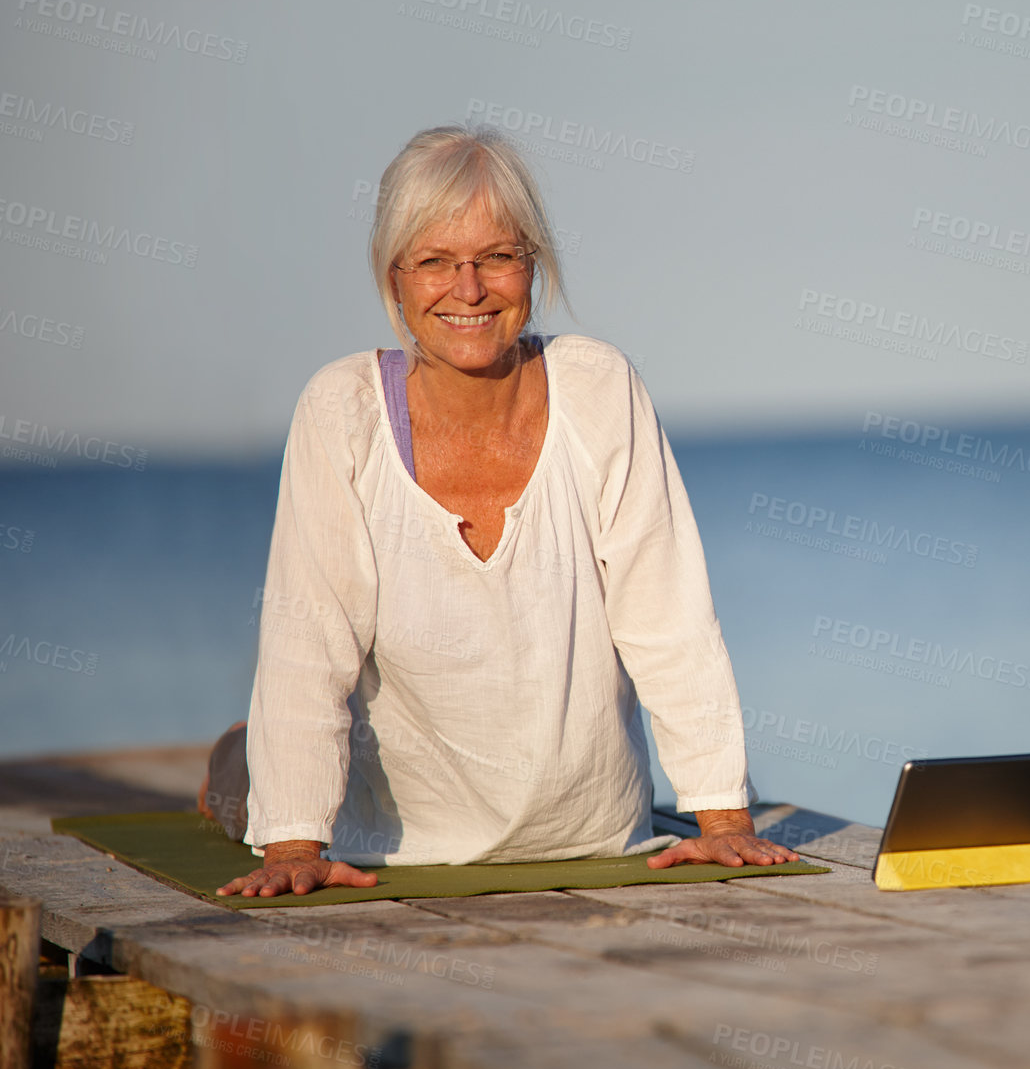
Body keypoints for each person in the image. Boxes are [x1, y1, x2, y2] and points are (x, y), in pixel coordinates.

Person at [202, 125, 793, 898]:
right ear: (396, 281)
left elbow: (669, 618)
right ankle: (238, 761)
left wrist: (722, 821)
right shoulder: (341, 411)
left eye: (497, 258)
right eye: (436, 263)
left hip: (594, 833)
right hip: (389, 841)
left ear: (534, 266)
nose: (469, 289)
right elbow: (308, 641)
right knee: (245, 784)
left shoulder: (599, 388)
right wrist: (291, 848)